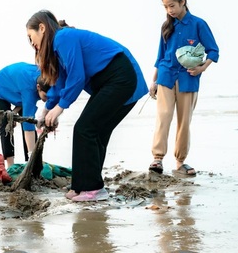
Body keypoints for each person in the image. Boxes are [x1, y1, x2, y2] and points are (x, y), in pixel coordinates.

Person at [26, 10, 148, 202]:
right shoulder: (57, 48)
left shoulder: (63, 37)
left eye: (30, 36)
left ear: (41, 28)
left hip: (119, 76)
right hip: (110, 81)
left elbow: (77, 77)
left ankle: (93, 188)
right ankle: (82, 185)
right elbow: (61, 83)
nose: (31, 42)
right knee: (97, 131)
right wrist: (47, 109)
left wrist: (60, 109)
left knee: (85, 128)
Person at [148, 0, 219, 176]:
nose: (169, 10)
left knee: (184, 121)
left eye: (171, 5)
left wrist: (202, 68)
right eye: (165, 7)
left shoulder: (198, 24)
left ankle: (180, 162)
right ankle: (157, 159)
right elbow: (160, 55)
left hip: (189, 77)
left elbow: (213, 50)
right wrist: (153, 81)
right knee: (163, 116)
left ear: (182, 2)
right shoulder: (166, 27)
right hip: (166, 76)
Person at [0, 62, 50, 167]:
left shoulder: (48, 79)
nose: (47, 99)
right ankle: (11, 164)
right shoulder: (29, 91)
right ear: (38, 87)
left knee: (27, 117)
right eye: (45, 96)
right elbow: (28, 124)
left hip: (18, 85)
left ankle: (32, 161)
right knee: (7, 123)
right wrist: (32, 154)